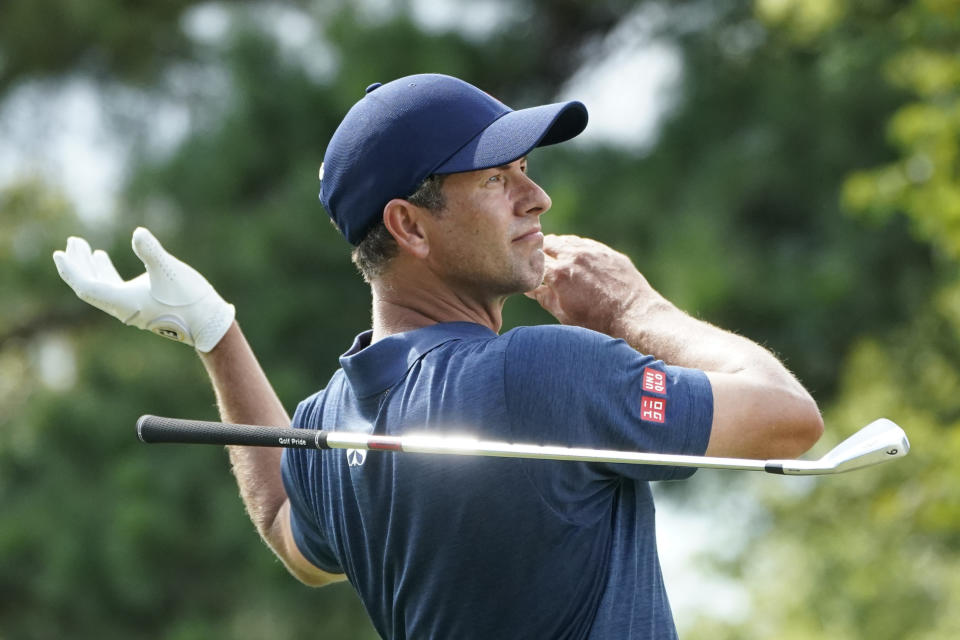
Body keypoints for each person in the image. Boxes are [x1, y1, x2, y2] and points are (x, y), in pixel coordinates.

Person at [53, 73, 824, 639]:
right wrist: (632, 309)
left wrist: (219, 337)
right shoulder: (542, 372)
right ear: (410, 228)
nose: (537, 198)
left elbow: (294, 537)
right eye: (497, 178)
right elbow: (789, 417)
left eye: (525, 170)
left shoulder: (335, 423)